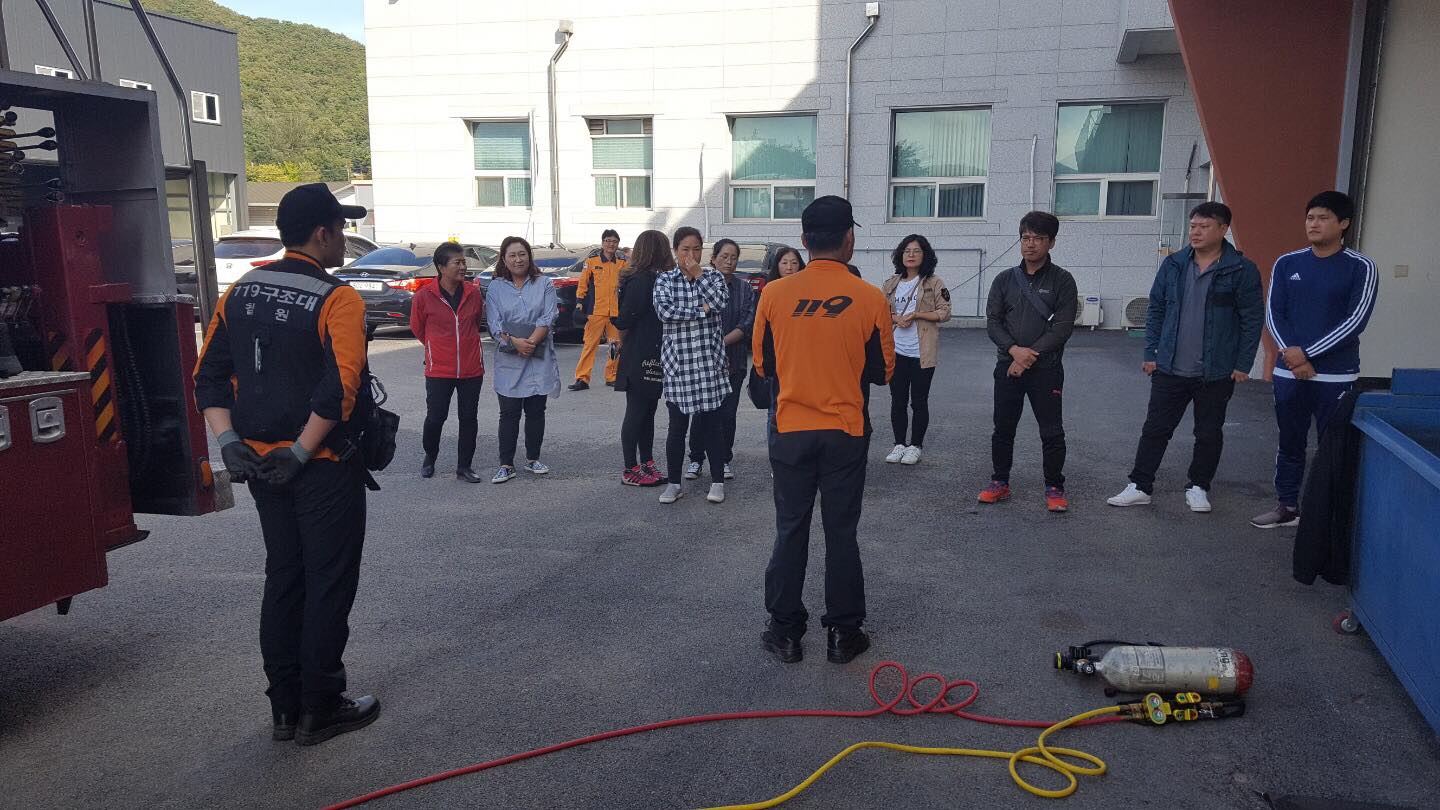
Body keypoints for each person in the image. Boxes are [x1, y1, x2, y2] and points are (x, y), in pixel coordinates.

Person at [194, 183, 379, 745]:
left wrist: (229, 443)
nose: (343, 240)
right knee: (327, 582)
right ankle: (321, 707)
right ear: (322, 233)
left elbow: (207, 376)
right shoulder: (338, 299)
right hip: (319, 464)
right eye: (340, 229)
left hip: (260, 466)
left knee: (284, 577)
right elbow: (340, 389)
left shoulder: (240, 291)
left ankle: (284, 707)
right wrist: (301, 452)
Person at [753, 195, 894, 665]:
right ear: (849, 239)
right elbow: (883, 371)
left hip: (791, 426)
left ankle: (785, 632)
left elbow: (763, 364)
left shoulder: (774, 295)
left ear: (803, 240)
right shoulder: (870, 298)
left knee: (790, 528)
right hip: (845, 430)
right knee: (841, 531)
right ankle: (843, 634)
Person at [1108, 202, 1263, 512]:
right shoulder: (1174, 264)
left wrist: (1243, 363)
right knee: (1155, 429)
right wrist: (1151, 352)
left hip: (1216, 370)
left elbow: (1251, 318)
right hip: (1170, 366)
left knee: (1208, 433)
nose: (1195, 232)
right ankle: (1140, 485)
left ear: (1223, 229)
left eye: (1204, 226)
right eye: (1193, 226)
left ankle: (1198, 486)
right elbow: (1156, 308)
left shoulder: (1241, 269)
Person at [1252, 191, 1377, 529]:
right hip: (1289, 373)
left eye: (1323, 218)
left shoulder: (1360, 267)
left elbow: (1355, 320)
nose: (1314, 224)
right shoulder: (1287, 263)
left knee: (1332, 447)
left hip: (1335, 376)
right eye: (1310, 218)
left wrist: (1307, 353)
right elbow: (1274, 314)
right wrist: (1294, 357)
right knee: (1289, 442)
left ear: (1344, 223)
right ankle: (1286, 505)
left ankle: (1327, 518)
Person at [978, 212, 1077, 512]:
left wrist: (1026, 356)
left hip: (1046, 369)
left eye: (1038, 238)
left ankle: (1054, 487)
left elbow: (1062, 328)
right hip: (1007, 366)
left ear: (1052, 242)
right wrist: (1013, 351)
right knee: (1003, 428)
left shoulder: (1062, 280)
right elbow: (993, 322)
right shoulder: (1004, 279)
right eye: (1025, 238)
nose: (1030, 244)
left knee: (1051, 431)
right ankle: (1000, 482)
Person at [654, 226, 730, 505]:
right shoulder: (664, 279)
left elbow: (720, 302)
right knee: (677, 427)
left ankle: (718, 481)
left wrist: (699, 275)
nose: (691, 255)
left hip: (709, 362)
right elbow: (665, 312)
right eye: (685, 249)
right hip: (679, 364)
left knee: (712, 426)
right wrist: (702, 310)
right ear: (675, 251)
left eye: (696, 249)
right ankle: (674, 483)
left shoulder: (713, 276)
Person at [485, 236, 560, 483]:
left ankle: (533, 458)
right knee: (509, 412)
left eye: (522, 254)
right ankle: (506, 464)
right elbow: (494, 323)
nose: (518, 259)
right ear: (504, 260)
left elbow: (548, 316)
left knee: (536, 410)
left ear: (529, 256)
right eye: (512, 255)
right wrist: (515, 343)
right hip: (509, 357)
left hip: (538, 356)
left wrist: (531, 343)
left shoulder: (544, 283)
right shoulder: (496, 288)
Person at [410, 242, 486, 483]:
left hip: (471, 368)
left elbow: (476, 323)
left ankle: (464, 467)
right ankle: (430, 457)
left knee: (468, 418)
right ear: (441, 267)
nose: (463, 267)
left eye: (464, 262)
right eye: (457, 262)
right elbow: (418, 328)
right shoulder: (424, 296)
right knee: (436, 417)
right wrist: (435, 347)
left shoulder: (473, 293)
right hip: (439, 370)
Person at [684, 239, 755, 482]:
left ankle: (724, 459)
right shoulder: (699, 283)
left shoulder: (745, 289)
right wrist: (711, 347)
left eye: (733, 257)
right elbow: (693, 319)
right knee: (701, 412)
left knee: (727, 412)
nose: (729, 261)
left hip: (734, 360)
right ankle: (696, 459)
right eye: (724, 256)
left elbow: (746, 325)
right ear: (713, 259)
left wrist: (720, 344)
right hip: (703, 361)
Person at [881, 234, 952, 467]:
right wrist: (895, 318)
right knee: (897, 400)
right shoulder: (891, 283)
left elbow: (945, 312)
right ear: (900, 255)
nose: (911, 255)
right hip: (896, 351)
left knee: (919, 401)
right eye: (907, 251)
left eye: (916, 251)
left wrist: (918, 315)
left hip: (922, 352)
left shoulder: (934, 282)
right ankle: (899, 444)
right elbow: (880, 311)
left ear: (925, 255)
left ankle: (915, 446)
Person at [612, 229, 670, 487]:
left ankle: (646, 462)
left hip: (653, 353)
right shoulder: (641, 280)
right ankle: (630, 468)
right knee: (636, 412)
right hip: (639, 355)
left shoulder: (656, 278)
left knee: (648, 412)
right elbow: (625, 318)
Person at [570, 229, 626, 391]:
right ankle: (582, 378)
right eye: (608, 241)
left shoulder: (622, 263)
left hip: (615, 312)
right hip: (595, 311)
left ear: (618, 244)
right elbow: (583, 283)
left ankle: (612, 376)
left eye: (614, 241)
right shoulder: (592, 261)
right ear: (602, 243)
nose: (611, 244)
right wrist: (579, 303)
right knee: (590, 345)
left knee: (615, 346)